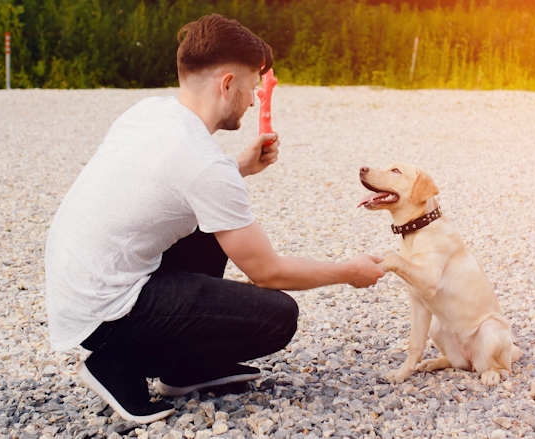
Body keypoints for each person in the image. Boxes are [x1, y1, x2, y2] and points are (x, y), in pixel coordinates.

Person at [44, 14, 385, 424]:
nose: (256, 97)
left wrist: (238, 166)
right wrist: (349, 271)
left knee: (210, 224)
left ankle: (186, 370)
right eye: (251, 85)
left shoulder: (150, 112)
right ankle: (116, 363)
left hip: (77, 291)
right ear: (226, 84)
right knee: (278, 316)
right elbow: (268, 272)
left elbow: (168, 182)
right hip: (104, 315)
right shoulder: (203, 164)